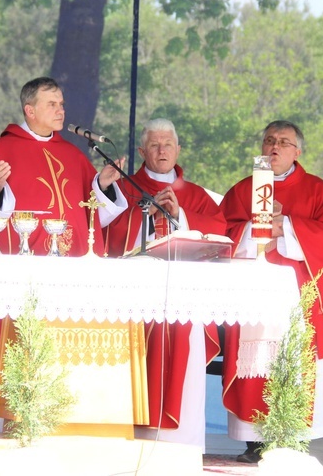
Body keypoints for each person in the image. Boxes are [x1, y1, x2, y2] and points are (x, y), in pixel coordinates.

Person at [0, 76, 125, 433]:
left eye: (62, 103)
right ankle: (7, 423)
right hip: (20, 275)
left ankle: (65, 421)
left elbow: (89, 214)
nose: (61, 110)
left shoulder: (73, 154)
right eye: (52, 104)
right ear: (29, 110)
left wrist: (102, 185)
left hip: (69, 274)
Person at [218, 120, 323, 463]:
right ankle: (253, 440)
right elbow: (222, 230)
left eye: (283, 142)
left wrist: (284, 227)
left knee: (292, 359)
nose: (274, 147)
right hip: (251, 295)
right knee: (254, 361)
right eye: (269, 140)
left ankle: (291, 438)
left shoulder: (318, 191)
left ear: (297, 152)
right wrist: (255, 230)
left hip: (297, 296)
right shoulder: (244, 190)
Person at [101, 118, 226, 449]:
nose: (161, 151)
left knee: (183, 371)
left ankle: (182, 445)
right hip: (133, 298)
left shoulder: (196, 195)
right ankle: (133, 442)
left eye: (168, 144)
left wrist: (180, 216)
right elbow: (105, 232)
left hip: (184, 297)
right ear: (142, 151)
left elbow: (218, 234)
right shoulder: (124, 187)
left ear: (178, 149)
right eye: (154, 145)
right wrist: (143, 216)